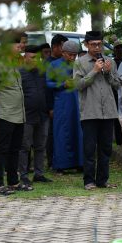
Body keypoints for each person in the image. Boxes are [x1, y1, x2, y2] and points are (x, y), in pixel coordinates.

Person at [74, 30, 121, 190]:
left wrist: (107, 73)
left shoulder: (110, 62)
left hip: (108, 111)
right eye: (93, 44)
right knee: (89, 148)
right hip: (89, 111)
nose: (97, 47)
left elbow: (117, 84)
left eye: (99, 44)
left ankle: (102, 180)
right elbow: (78, 85)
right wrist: (94, 71)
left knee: (106, 148)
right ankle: (89, 181)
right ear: (86, 45)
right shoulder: (80, 62)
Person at [0, 36, 26, 196]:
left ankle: (13, 182)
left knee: (14, 148)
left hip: (18, 114)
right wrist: (0, 106)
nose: (20, 47)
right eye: (16, 44)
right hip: (4, 114)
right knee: (1, 149)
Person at [46, 40, 84, 173]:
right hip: (62, 103)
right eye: (70, 55)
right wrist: (62, 85)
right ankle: (61, 165)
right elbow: (48, 83)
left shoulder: (79, 65)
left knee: (78, 131)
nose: (72, 58)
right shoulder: (53, 65)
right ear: (63, 53)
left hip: (78, 101)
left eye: (75, 55)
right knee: (61, 133)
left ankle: (80, 163)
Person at [18, 45, 51, 189]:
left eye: (37, 58)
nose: (35, 60)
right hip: (26, 115)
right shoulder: (19, 72)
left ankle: (39, 173)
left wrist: (49, 108)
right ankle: (23, 175)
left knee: (40, 145)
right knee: (25, 146)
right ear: (25, 57)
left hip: (42, 114)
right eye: (32, 57)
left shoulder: (42, 72)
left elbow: (46, 92)